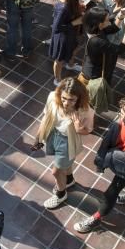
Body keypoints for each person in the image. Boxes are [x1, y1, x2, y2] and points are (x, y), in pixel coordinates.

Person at [74, 94, 125, 233]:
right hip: (120, 158)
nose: (123, 119)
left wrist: (108, 157)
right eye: (121, 113)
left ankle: (96, 219)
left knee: (110, 194)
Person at [34, 78, 94, 209]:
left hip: (68, 142)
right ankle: (69, 180)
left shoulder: (85, 110)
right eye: (64, 98)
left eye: (72, 99)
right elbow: (46, 116)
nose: (66, 103)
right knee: (65, 165)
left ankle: (61, 195)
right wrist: (38, 137)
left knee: (56, 172)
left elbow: (88, 130)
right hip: (53, 134)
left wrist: (78, 128)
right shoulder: (52, 97)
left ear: (79, 98)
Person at [49, 0, 85, 85]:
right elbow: (57, 28)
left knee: (73, 50)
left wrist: (79, 9)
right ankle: (57, 79)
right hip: (62, 37)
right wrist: (75, 22)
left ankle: (70, 65)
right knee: (59, 60)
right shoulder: (63, 7)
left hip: (71, 34)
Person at [79, 6, 118, 89]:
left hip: (89, 68)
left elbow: (111, 29)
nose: (110, 22)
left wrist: (120, 18)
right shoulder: (98, 41)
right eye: (107, 20)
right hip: (95, 75)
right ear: (100, 24)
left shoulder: (91, 29)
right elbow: (119, 50)